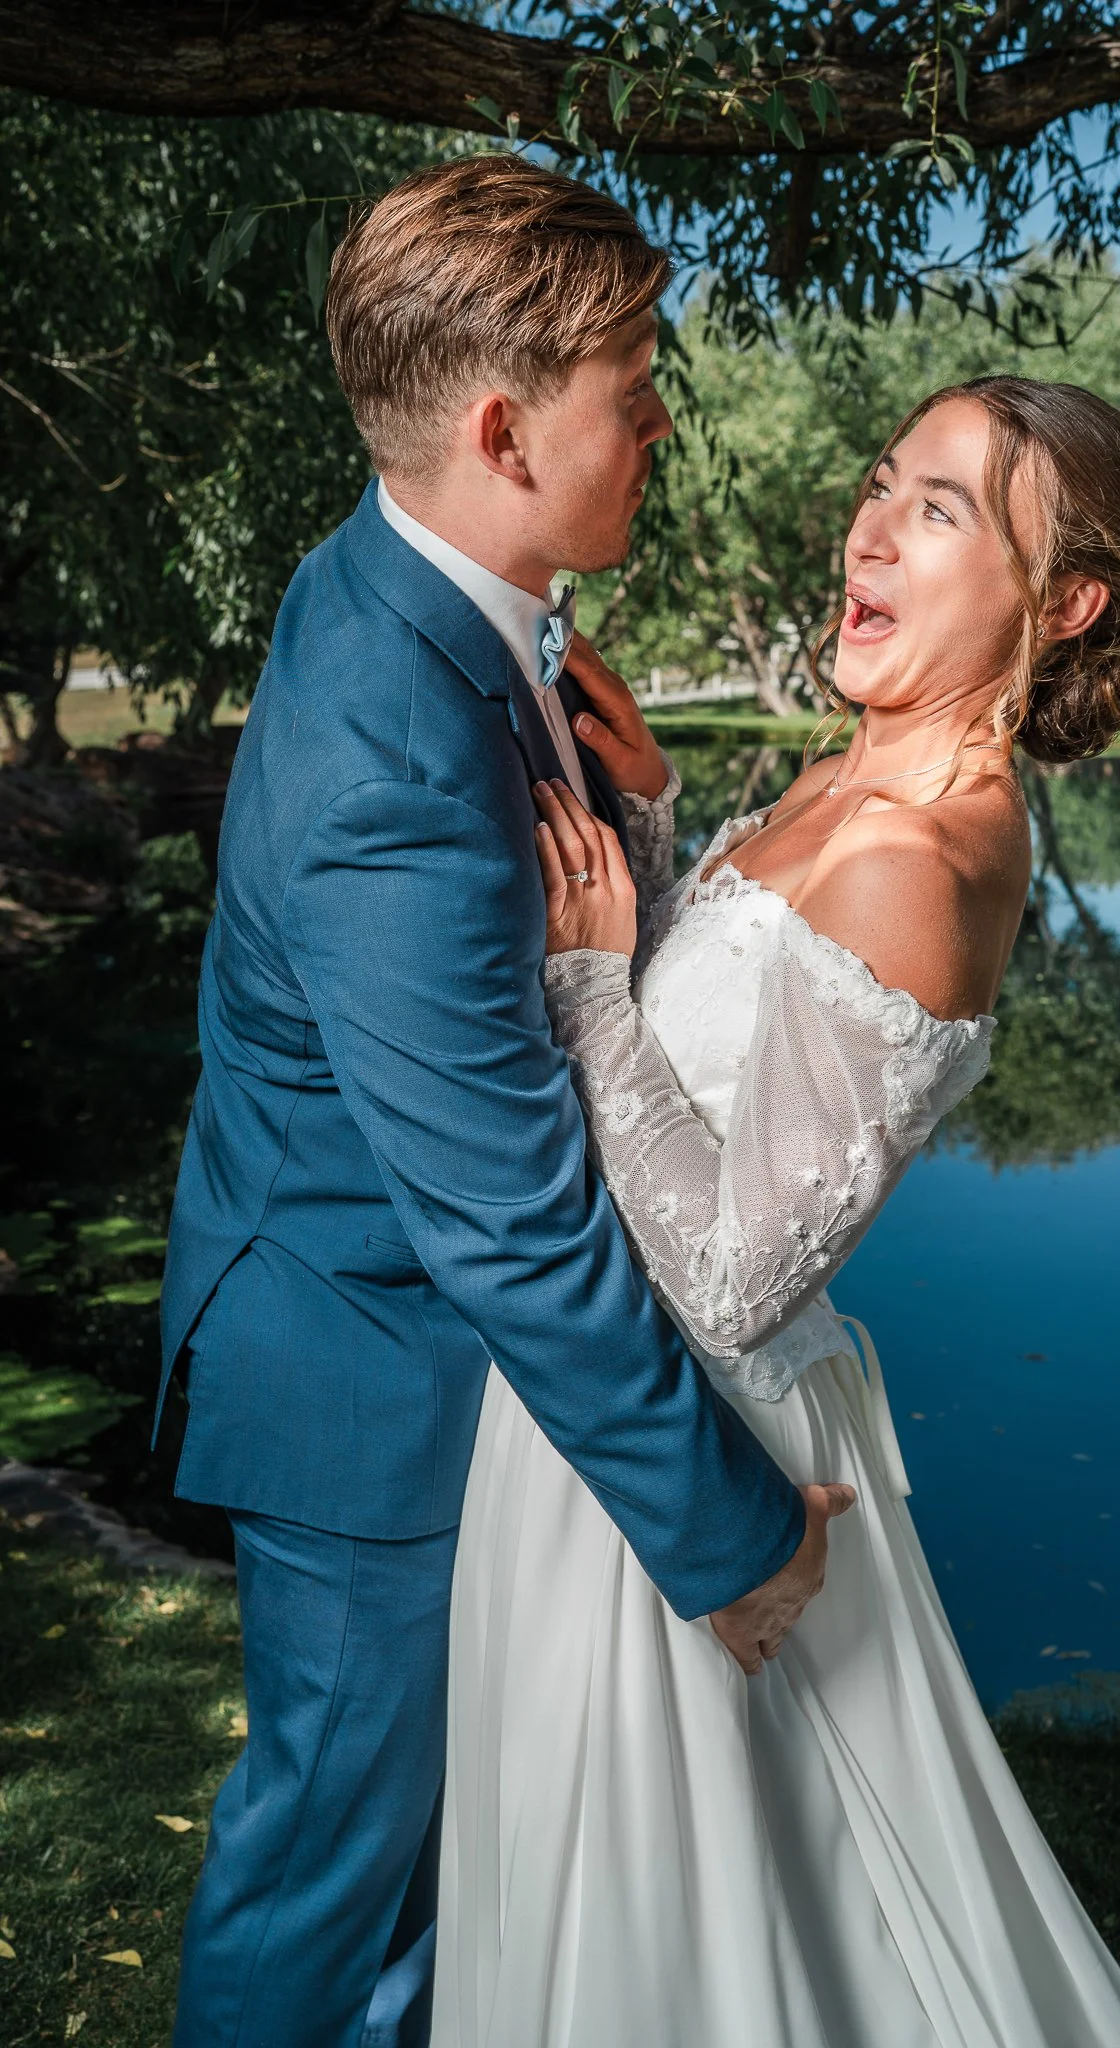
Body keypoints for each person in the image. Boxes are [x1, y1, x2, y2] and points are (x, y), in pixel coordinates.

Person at [157, 157, 855, 2048]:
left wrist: (631, 813)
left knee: (439, 1893)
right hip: (365, 1380)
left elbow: (532, 965)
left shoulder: (439, 593)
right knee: (334, 1874)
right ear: (499, 424)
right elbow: (507, 1212)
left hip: (403, 1330)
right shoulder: (389, 739)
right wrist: (732, 1539)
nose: (657, 420)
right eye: (631, 384)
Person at [431, 376, 1120, 2046]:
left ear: (1064, 603)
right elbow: (734, 1066)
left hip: (682, 1440)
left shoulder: (925, 852)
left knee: (675, 1934)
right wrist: (652, 829)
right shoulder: (845, 784)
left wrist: (582, 987)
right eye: (882, 481)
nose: (871, 524)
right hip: (600, 1408)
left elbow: (732, 1263)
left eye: (942, 509)